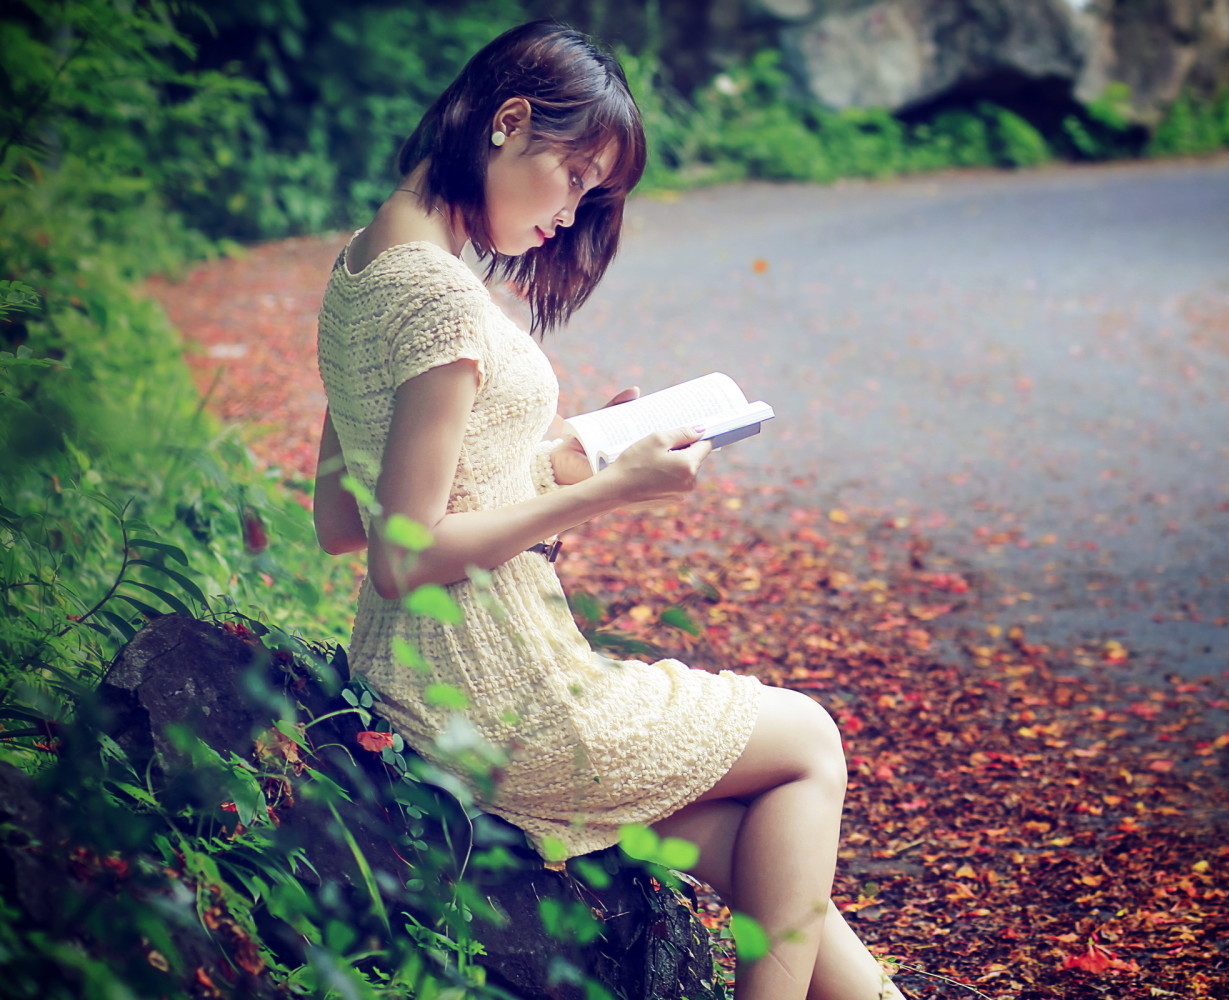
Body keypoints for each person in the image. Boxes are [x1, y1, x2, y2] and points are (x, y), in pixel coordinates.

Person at [312, 20, 906, 1000]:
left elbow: (348, 515)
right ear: (509, 122)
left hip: (417, 681)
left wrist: (572, 451)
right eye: (575, 176)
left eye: (595, 194)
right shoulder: (443, 301)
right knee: (808, 742)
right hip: (501, 699)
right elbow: (403, 557)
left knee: (752, 843)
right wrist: (611, 491)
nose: (572, 213)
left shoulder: (361, 268)